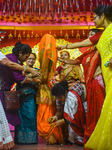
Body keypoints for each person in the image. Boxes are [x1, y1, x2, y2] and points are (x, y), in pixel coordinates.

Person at [58, 29, 106, 148]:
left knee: (100, 109)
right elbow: (75, 61)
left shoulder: (102, 50)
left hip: (99, 83)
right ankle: (91, 137)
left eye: (92, 36)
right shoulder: (89, 52)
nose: (90, 38)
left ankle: (102, 137)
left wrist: (65, 46)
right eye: (88, 36)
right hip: (90, 85)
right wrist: (58, 59)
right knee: (91, 111)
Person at [84, 5, 112, 150]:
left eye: (94, 17)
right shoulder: (105, 32)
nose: (93, 20)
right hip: (108, 77)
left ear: (103, 16)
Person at [0, 41, 41, 136]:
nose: (28, 60)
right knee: (3, 113)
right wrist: (34, 78)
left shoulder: (19, 62)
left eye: (31, 58)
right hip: (2, 87)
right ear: (20, 53)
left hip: (6, 88)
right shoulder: (12, 59)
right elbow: (19, 78)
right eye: (27, 57)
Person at [36, 34, 63, 145]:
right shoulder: (48, 61)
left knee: (45, 115)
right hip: (47, 92)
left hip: (46, 92)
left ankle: (52, 138)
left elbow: (45, 76)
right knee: (46, 114)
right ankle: (52, 138)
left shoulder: (48, 61)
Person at [51, 80, 86, 146]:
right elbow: (59, 111)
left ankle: (80, 139)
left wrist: (62, 121)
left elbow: (76, 115)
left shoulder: (71, 95)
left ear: (66, 93)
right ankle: (74, 139)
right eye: (57, 97)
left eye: (60, 97)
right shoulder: (59, 96)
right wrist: (55, 117)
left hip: (85, 102)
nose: (58, 99)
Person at [15, 53, 39, 144]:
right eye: (29, 58)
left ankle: (31, 140)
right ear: (25, 59)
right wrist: (31, 77)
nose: (31, 60)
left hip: (31, 98)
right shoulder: (20, 70)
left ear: (35, 60)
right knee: (20, 119)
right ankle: (20, 139)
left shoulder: (37, 71)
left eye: (33, 59)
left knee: (31, 117)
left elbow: (39, 82)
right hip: (20, 98)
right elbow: (18, 80)